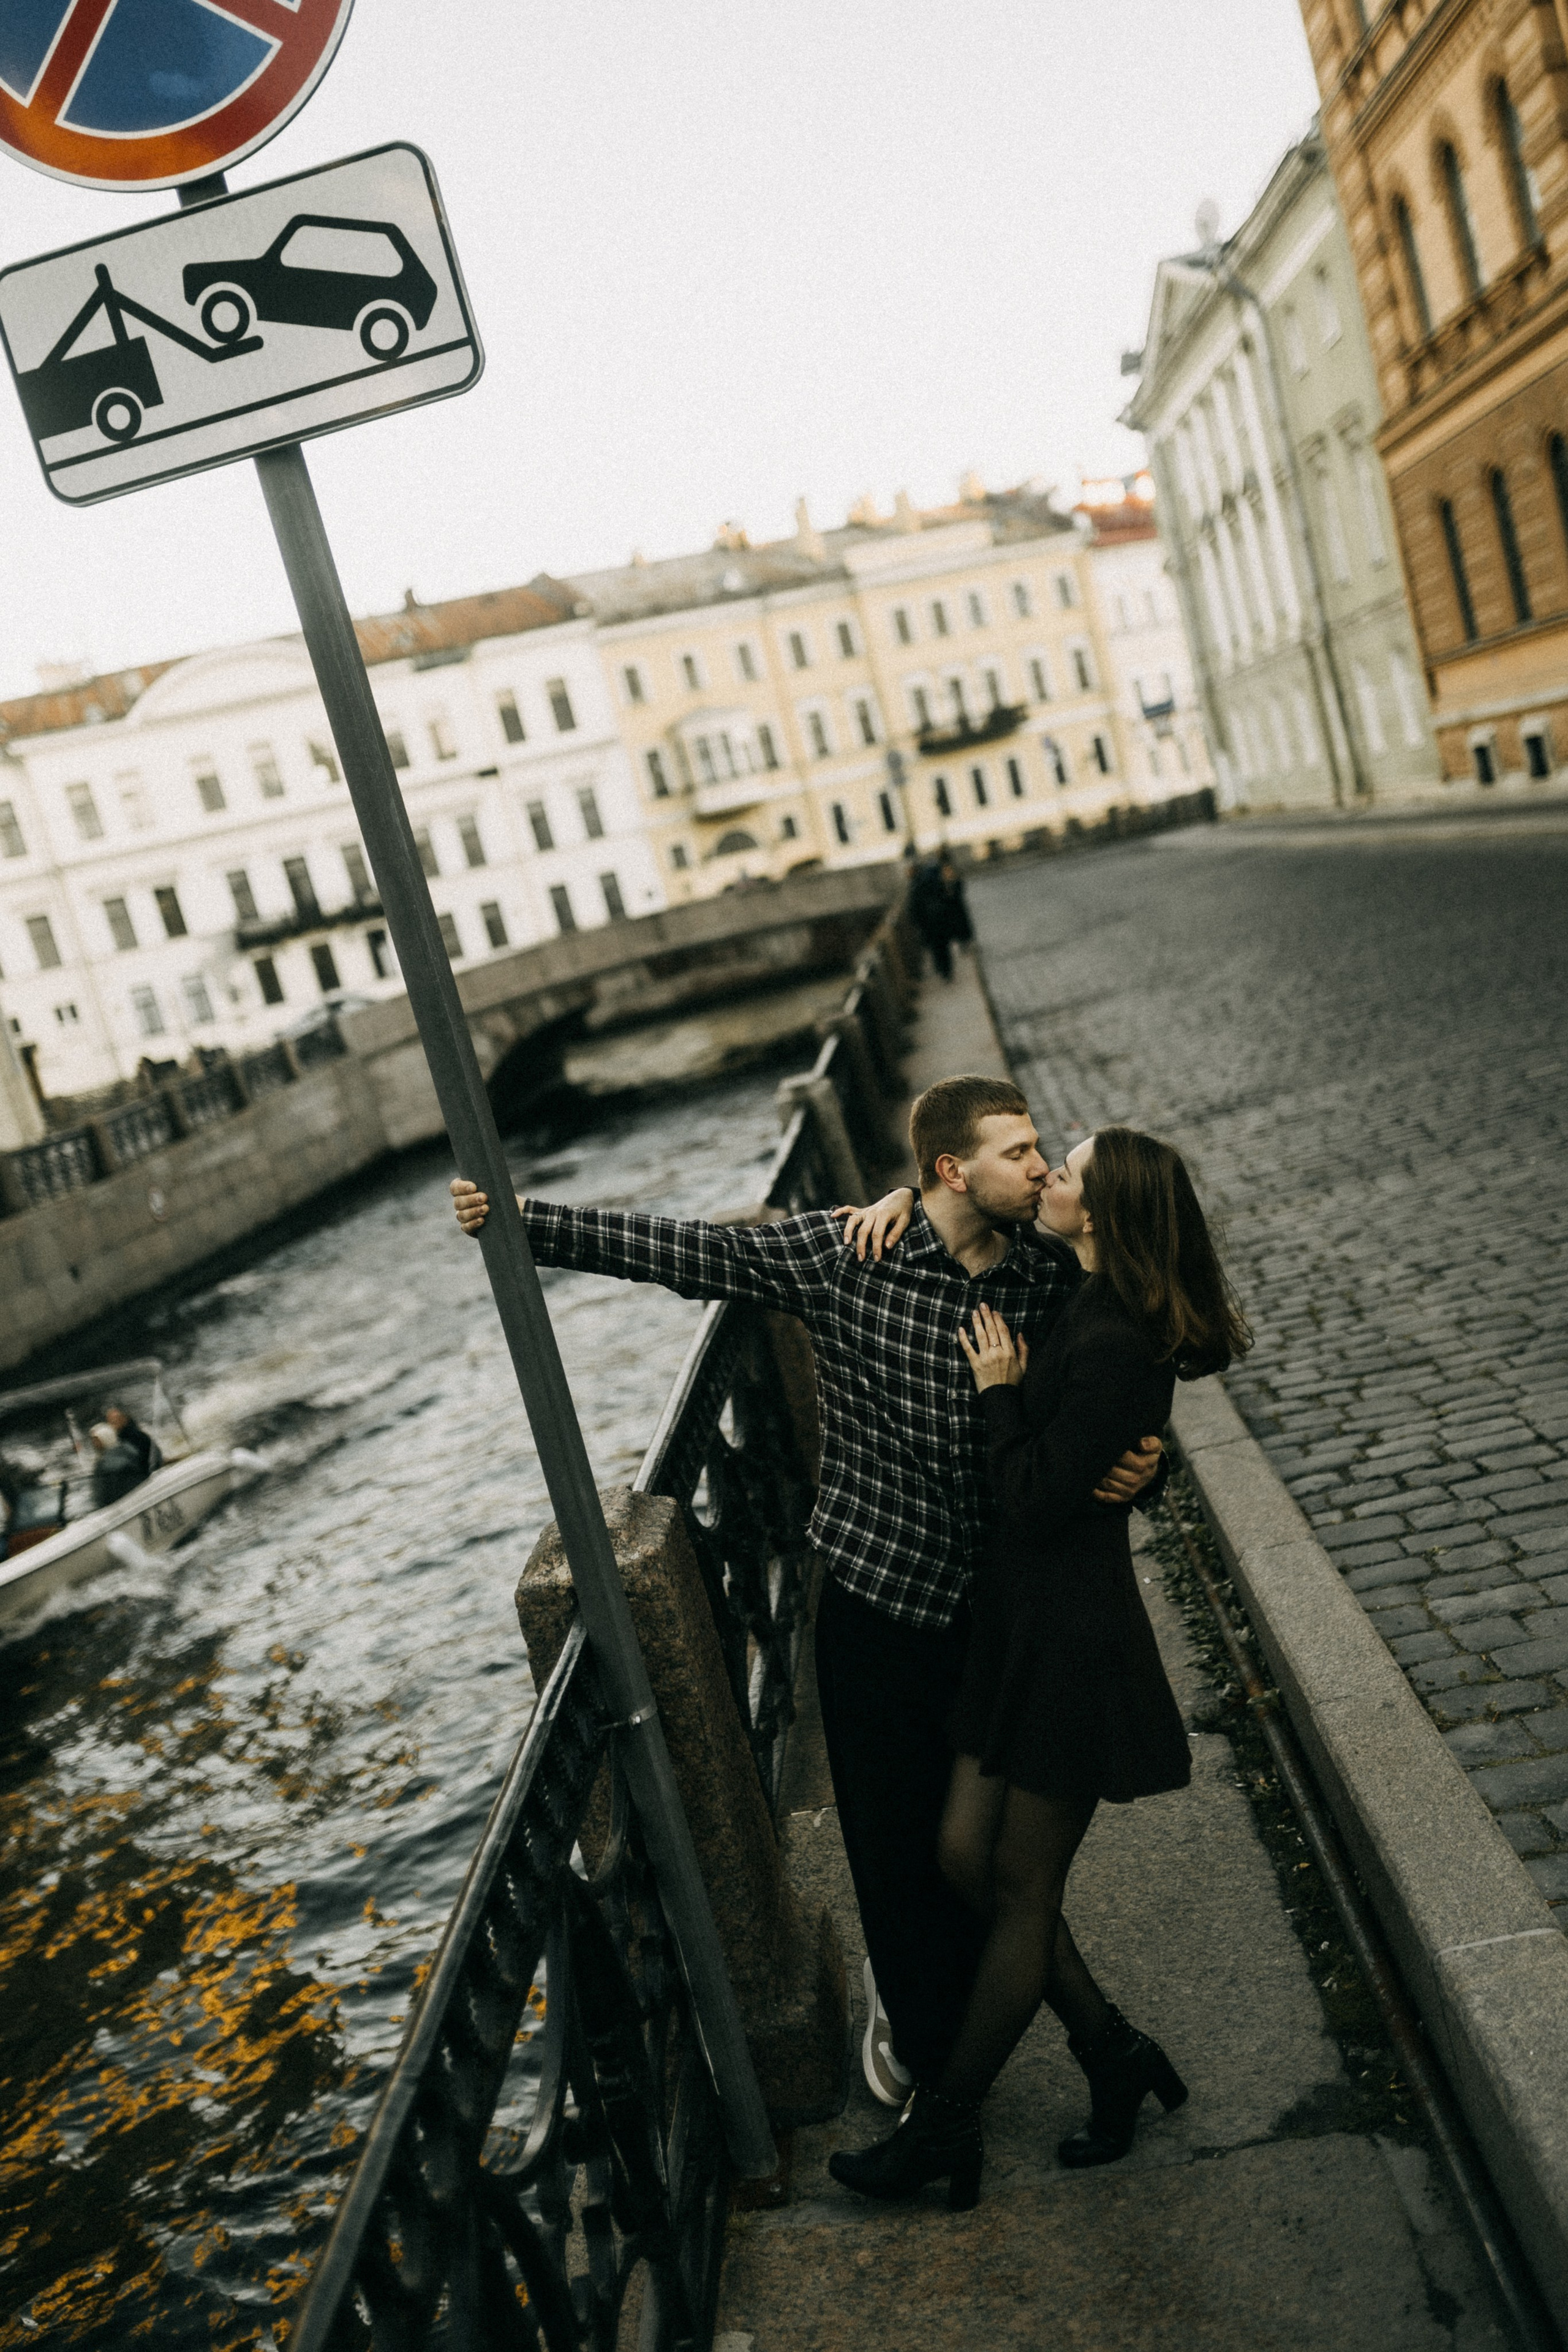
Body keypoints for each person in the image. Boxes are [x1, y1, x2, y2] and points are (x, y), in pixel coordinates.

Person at [448, 1077, 1166, 2101]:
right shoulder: (846, 1254)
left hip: (996, 1619)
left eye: (1043, 1151)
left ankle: (1023, 2037)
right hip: (876, 1608)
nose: (1044, 1167)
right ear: (952, 1171)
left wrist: (1155, 1467)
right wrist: (526, 1223)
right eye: (1019, 1152)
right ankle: (926, 2044)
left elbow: (1110, 1401)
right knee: (891, 1850)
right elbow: (689, 1254)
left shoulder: (1046, 1282)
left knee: (978, 1861)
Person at [827, 1128, 1249, 2209]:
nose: (1049, 1178)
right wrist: (907, 1190)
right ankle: (1115, 2053)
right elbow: (1092, 1464)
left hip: (1071, 1645)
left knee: (1020, 1890)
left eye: (1066, 1170)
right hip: (1022, 1631)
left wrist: (998, 1389)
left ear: (1102, 1212)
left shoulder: (1114, 1339)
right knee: (965, 1854)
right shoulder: (1078, 1285)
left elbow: (1032, 1493)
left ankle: (944, 2127)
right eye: (1043, 1161)